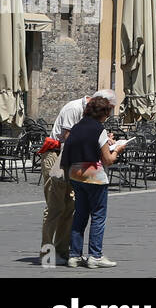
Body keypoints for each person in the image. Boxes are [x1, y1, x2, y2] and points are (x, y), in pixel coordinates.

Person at [40, 88, 116, 266]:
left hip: (75, 163)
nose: (108, 113)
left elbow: (80, 137)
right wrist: (105, 144)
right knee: (54, 208)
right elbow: (69, 137)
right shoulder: (73, 108)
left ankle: (65, 252)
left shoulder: (88, 118)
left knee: (71, 208)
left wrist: (103, 141)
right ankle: (47, 254)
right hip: (58, 157)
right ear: (101, 104)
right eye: (108, 108)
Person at [61, 94, 127, 268]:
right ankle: (95, 256)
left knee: (80, 215)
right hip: (95, 177)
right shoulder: (99, 129)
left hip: (75, 174)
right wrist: (118, 149)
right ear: (103, 113)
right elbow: (108, 159)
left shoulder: (76, 127)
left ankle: (74, 255)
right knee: (98, 216)